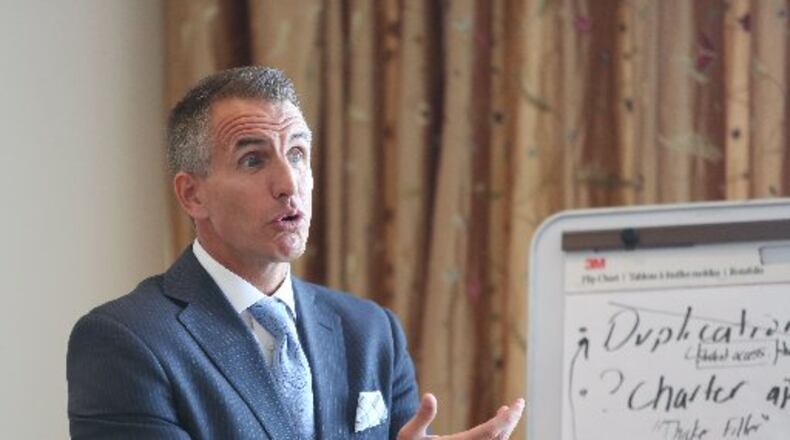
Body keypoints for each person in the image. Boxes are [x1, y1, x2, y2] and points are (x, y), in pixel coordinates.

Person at [67, 66, 524, 439]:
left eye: (299, 153)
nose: (290, 184)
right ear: (192, 195)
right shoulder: (125, 342)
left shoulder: (370, 332)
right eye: (254, 159)